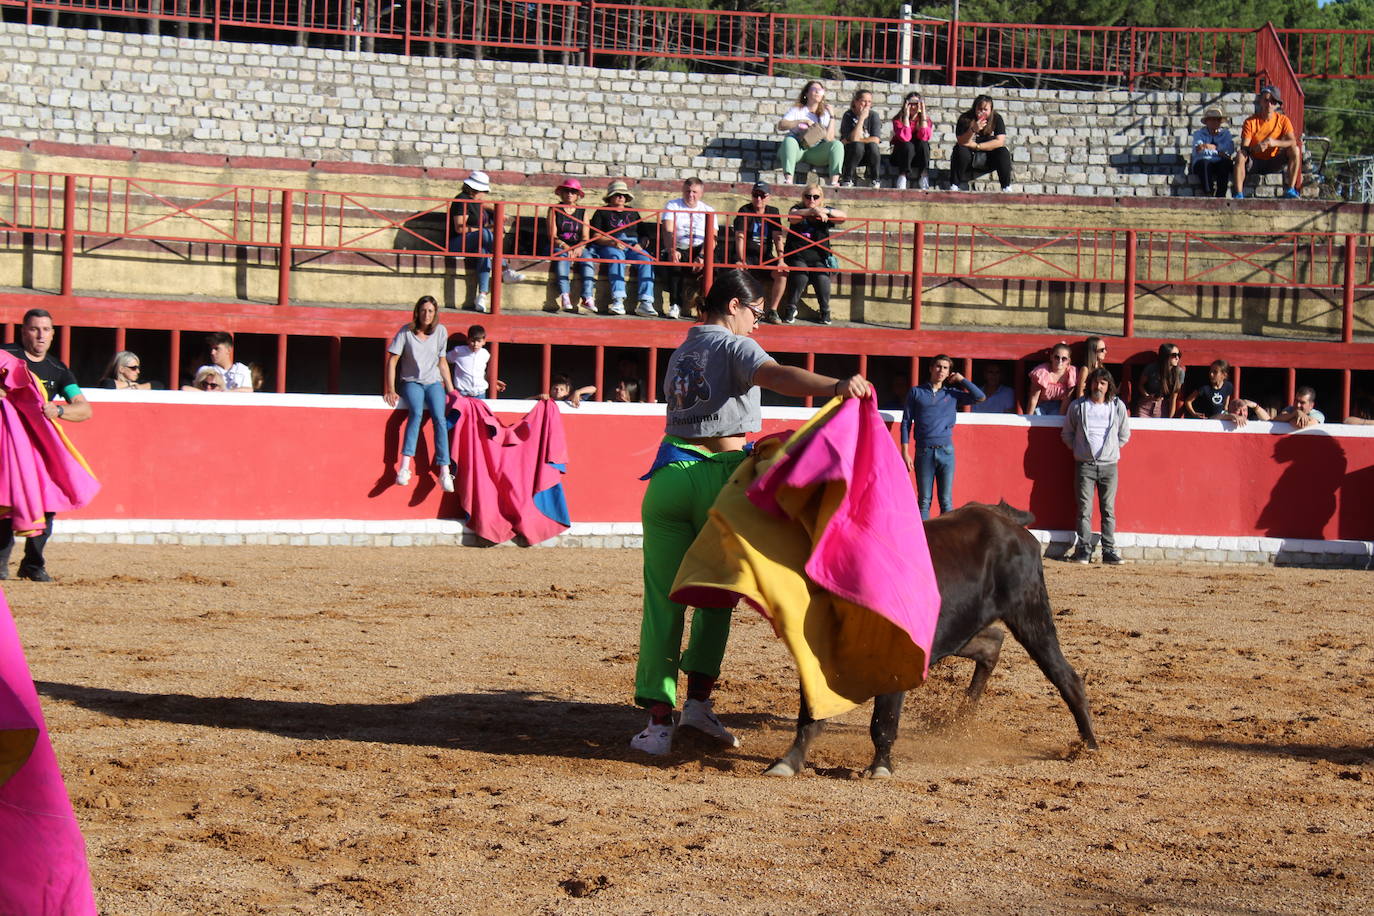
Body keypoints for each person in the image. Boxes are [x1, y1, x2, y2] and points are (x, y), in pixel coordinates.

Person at [632, 268, 871, 756]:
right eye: (757, 312)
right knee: (719, 593)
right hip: (720, 479)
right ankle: (697, 704)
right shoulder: (731, 345)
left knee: (663, 600)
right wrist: (835, 385)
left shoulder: (683, 349)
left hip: (668, 477)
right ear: (734, 306)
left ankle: (658, 722)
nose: (759, 324)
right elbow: (776, 375)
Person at [0, 309, 93, 582]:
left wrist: (59, 411)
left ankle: (32, 563)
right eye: (34, 329)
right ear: (23, 331)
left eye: (46, 330)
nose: (40, 335)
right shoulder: (5, 355)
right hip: (6, 443)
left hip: (37, 447)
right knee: (6, 498)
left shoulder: (58, 370)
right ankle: (0, 563)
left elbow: (84, 409)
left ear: (53, 334)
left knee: (47, 501)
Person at [899, 354, 985, 520]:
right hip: (924, 451)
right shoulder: (916, 392)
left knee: (946, 501)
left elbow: (980, 397)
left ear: (948, 373)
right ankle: (924, 543)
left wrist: (961, 379)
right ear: (931, 368)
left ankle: (946, 543)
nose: (941, 370)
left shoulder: (952, 393)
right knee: (924, 500)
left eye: (945, 368)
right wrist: (905, 451)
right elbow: (906, 422)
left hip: (946, 451)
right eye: (938, 366)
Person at [384, 296, 455, 492]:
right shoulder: (406, 331)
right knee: (415, 413)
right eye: (424, 310)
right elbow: (392, 361)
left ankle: (444, 470)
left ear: (435, 313)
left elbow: (442, 363)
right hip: (411, 382)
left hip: (433, 383)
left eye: (431, 311)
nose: (427, 315)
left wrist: (452, 391)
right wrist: (390, 389)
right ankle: (404, 467)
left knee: (440, 419)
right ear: (417, 312)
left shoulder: (441, 331)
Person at [1062, 367, 1131, 566]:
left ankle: (1109, 549)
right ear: (1090, 384)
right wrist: (1079, 450)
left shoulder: (1117, 406)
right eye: (1095, 382)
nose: (1098, 386)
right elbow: (1067, 434)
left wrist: (1111, 450)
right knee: (1085, 508)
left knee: (1108, 509)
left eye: (1102, 383)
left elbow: (1124, 434)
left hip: (1109, 465)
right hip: (1085, 465)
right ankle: (1083, 549)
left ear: (1108, 386)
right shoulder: (1078, 406)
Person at [448, 169, 524, 313]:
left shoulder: (476, 202)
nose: (485, 194)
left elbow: (485, 204)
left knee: (484, 251)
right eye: (484, 191)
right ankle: (505, 270)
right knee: (485, 233)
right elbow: (459, 228)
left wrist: (498, 212)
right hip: (456, 243)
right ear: (476, 189)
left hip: (473, 244)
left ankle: (482, 295)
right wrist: (487, 228)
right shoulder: (461, 200)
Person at [780, 183, 846, 326]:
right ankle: (790, 308)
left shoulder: (825, 210)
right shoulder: (797, 208)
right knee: (800, 274)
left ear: (820, 198)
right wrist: (812, 212)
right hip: (797, 255)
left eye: (815, 197)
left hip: (818, 257)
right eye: (808, 196)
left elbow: (843, 217)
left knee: (822, 277)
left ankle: (825, 311)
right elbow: (792, 217)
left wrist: (825, 211)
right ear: (803, 197)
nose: (811, 199)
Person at [588, 180, 655, 317]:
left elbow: (644, 235)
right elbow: (596, 235)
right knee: (616, 257)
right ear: (610, 197)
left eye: (623, 195)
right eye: (617, 194)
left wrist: (641, 244)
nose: (621, 197)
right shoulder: (602, 212)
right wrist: (612, 242)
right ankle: (618, 300)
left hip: (632, 246)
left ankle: (645, 301)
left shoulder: (633, 213)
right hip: (610, 246)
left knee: (646, 259)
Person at [731, 180, 787, 323]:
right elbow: (740, 237)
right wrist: (741, 259)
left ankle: (773, 311)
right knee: (739, 271)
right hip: (748, 255)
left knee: (783, 273)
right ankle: (743, 309)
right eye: (756, 195)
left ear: (769, 197)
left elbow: (777, 238)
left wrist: (781, 260)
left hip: (766, 256)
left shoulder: (773, 212)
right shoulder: (745, 210)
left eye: (762, 195)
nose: (759, 199)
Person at [1233, 86, 1301, 200]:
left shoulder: (1283, 120)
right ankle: (1239, 193)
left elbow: (1292, 141)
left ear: (1277, 104)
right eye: (1266, 100)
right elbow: (1244, 147)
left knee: (1295, 150)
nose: (1269, 104)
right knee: (1240, 155)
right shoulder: (1250, 121)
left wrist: (1274, 143)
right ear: (1260, 101)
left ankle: (1290, 189)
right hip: (1254, 162)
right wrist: (1255, 148)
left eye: (1273, 101)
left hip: (1273, 161)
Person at [661, 177, 715, 320]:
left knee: (714, 268)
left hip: (700, 248)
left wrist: (703, 256)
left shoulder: (708, 210)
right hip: (679, 246)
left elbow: (713, 238)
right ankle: (675, 305)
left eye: (694, 192)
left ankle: (707, 308)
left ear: (701, 193)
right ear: (683, 191)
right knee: (674, 265)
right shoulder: (673, 205)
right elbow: (667, 230)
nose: (691, 195)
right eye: (688, 191)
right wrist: (672, 249)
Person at [775, 80, 842, 187]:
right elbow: (781, 125)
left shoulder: (825, 114)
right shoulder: (797, 110)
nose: (817, 92)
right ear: (806, 93)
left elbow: (830, 139)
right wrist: (802, 121)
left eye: (820, 90)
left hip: (815, 151)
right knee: (789, 141)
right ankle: (788, 179)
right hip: (798, 149)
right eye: (814, 90)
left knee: (837, 145)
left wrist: (832, 116)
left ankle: (834, 181)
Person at [547, 177, 594, 314]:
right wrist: (565, 246)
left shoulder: (583, 211)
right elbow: (552, 235)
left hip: (579, 245)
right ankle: (565, 295)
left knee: (588, 259)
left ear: (578, 195)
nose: (569, 194)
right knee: (562, 257)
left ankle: (587, 296)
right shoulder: (555, 209)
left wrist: (579, 247)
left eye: (573, 192)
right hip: (559, 245)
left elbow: (586, 237)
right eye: (566, 191)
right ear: (561, 193)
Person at [950, 95, 1011, 192]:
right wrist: (973, 130)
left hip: (988, 155)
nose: (982, 112)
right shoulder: (965, 118)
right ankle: (954, 185)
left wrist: (977, 146)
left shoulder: (996, 118)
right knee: (960, 150)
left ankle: (1006, 186)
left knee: (1003, 152)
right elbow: (961, 141)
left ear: (991, 110)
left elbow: (999, 141)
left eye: (985, 109)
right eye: (979, 109)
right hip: (969, 156)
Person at [447, 324, 506, 400]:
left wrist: (493, 382)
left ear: (484, 342)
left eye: (478, 341)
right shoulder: (459, 351)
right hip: (462, 393)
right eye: (472, 341)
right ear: (468, 340)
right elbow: (444, 360)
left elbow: (481, 373)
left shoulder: (485, 354)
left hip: (480, 393)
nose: (475, 344)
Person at [1189, 106, 1235, 198]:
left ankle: (1221, 195)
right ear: (1206, 121)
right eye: (1212, 119)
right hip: (1203, 161)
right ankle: (1208, 193)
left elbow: (1229, 149)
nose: (1215, 122)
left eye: (1217, 119)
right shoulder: (1198, 134)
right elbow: (1199, 150)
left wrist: (1210, 147)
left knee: (1225, 164)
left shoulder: (1226, 134)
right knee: (1204, 163)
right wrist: (1218, 152)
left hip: (1220, 162)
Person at [839, 88, 882, 187]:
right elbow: (853, 139)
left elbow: (876, 139)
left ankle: (875, 179)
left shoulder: (874, 115)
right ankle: (847, 178)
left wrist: (858, 139)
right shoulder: (848, 115)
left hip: (868, 153)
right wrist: (861, 118)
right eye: (864, 101)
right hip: (852, 153)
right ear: (856, 102)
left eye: (869, 102)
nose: (867, 104)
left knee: (873, 146)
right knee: (857, 146)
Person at [890, 91, 933, 190]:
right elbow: (906, 137)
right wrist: (906, 116)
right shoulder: (898, 120)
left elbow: (925, 136)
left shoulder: (926, 120)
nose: (913, 107)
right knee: (907, 145)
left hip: (918, 156)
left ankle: (924, 175)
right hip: (901, 155)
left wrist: (923, 115)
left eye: (916, 104)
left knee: (924, 144)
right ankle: (902, 176)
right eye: (911, 104)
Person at [181, 332, 251, 392]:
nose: (212, 352)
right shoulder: (205, 370)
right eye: (211, 349)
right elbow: (187, 389)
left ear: (228, 350)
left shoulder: (242, 370)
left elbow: (249, 391)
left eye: (216, 349)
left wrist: (225, 393)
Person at [1134, 343, 1185, 418]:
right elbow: (1141, 385)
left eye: (1179, 355)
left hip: (1162, 406)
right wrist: (1147, 395)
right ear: (1165, 356)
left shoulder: (1179, 373)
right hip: (1146, 404)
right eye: (1174, 355)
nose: (1177, 358)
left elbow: (1173, 397)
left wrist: (1171, 419)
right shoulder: (1152, 368)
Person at [1026, 342, 1077, 416]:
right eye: (1057, 357)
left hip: (1059, 407)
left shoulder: (1071, 374)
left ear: (1068, 360)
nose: (1060, 361)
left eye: (1064, 359)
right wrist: (1029, 418)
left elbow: (1067, 400)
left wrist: (1059, 419)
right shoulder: (1041, 373)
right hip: (1041, 406)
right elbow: (1033, 399)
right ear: (1051, 357)